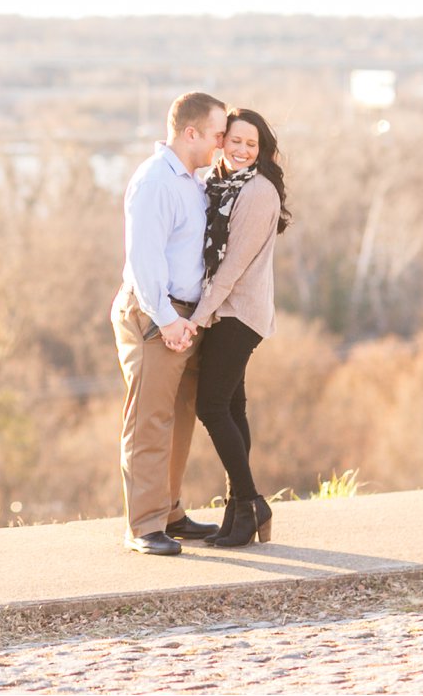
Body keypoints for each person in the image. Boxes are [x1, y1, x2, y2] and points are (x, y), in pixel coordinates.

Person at [112, 91, 227, 555]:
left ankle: (170, 513)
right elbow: (144, 262)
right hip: (153, 315)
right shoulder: (156, 181)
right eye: (218, 134)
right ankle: (142, 526)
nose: (222, 143)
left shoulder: (192, 182)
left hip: (184, 317)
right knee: (149, 421)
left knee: (180, 418)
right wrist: (166, 320)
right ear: (191, 132)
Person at [189, 108, 291, 548]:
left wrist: (199, 316)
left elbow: (232, 267)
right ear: (221, 142)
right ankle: (242, 510)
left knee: (210, 407)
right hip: (225, 309)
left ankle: (249, 501)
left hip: (238, 312)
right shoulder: (218, 184)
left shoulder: (257, 192)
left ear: (262, 149)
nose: (243, 150)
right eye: (236, 142)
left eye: (252, 144)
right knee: (232, 407)